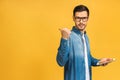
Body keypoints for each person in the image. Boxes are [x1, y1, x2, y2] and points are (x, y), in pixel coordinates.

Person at [56, 4, 115, 80]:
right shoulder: (68, 36)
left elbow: (87, 58)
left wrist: (99, 62)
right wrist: (64, 39)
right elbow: (61, 62)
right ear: (73, 18)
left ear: (88, 18)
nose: (81, 22)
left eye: (84, 18)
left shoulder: (85, 37)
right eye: (78, 18)